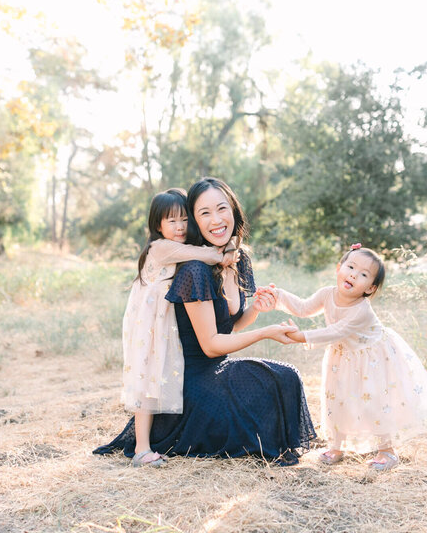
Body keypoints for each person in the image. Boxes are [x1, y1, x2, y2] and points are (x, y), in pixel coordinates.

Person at [94, 177, 316, 466]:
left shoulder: (238, 261)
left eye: (221, 208)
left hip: (217, 369)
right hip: (190, 383)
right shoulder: (195, 270)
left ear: (234, 210)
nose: (216, 219)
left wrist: (257, 311)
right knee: (277, 377)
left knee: (286, 378)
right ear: (197, 223)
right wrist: (268, 332)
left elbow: (230, 327)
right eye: (204, 213)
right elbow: (211, 345)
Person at [261, 244, 427, 471]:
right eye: (350, 266)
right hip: (343, 357)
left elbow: (335, 331)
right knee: (337, 398)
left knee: (374, 401)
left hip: (372, 358)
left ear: (370, 288)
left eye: (363, 274)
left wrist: (301, 336)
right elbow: (303, 307)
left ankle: (387, 450)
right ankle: (336, 446)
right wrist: (278, 295)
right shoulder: (327, 293)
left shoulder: (361, 310)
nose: (353, 274)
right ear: (339, 268)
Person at [120, 188, 238, 467]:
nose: (180, 226)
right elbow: (204, 255)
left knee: (159, 377)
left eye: (185, 218)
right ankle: (141, 449)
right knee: (147, 381)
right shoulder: (160, 247)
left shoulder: (178, 248)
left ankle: (154, 439)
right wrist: (225, 251)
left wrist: (229, 248)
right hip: (149, 328)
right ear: (157, 225)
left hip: (164, 324)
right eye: (171, 220)